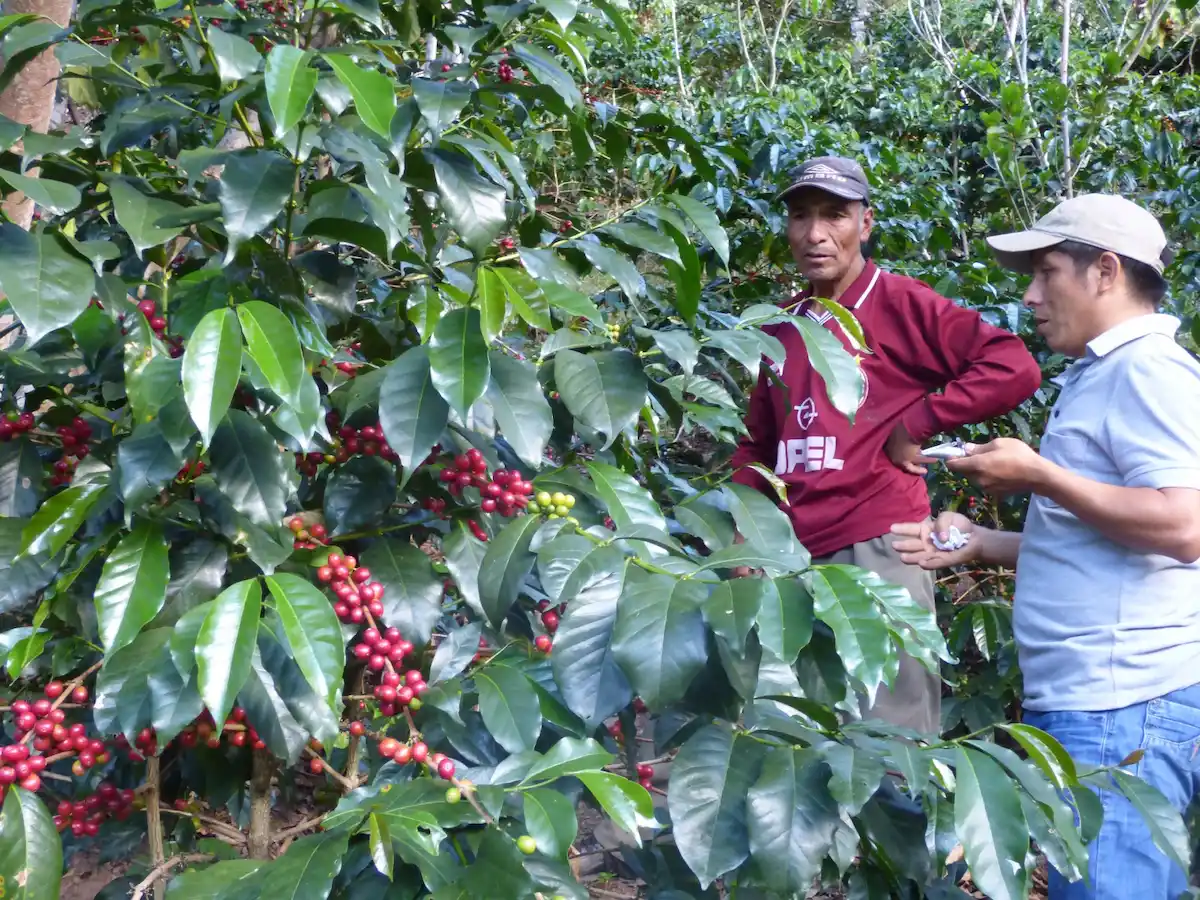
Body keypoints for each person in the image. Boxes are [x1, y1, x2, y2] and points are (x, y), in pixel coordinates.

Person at [890, 192, 1200, 899]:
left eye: (1046, 272)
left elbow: (1185, 526)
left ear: (1105, 272)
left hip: (1122, 709)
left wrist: (1039, 474)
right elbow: (1105, 539)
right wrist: (981, 543)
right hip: (1098, 704)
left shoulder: (1146, 371)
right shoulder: (1100, 373)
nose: (1030, 295)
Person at [729, 155, 1043, 734]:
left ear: (865, 224)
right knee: (788, 738)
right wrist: (743, 531)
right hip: (787, 556)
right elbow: (759, 442)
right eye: (800, 217)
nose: (815, 233)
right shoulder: (777, 323)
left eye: (834, 216)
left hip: (877, 547)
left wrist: (916, 424)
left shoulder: (898, 301)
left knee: (889, 742)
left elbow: (1012, 365)